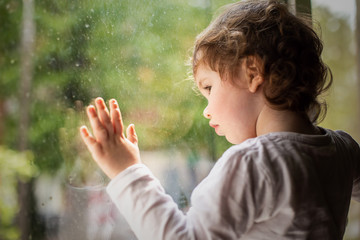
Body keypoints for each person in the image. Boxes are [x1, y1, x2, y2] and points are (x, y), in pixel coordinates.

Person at [79, 0, 360, 239]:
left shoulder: (254, 162)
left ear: (253, 72)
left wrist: (127, 171)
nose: (206, 110)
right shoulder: (343, 149)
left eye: (209, 88)